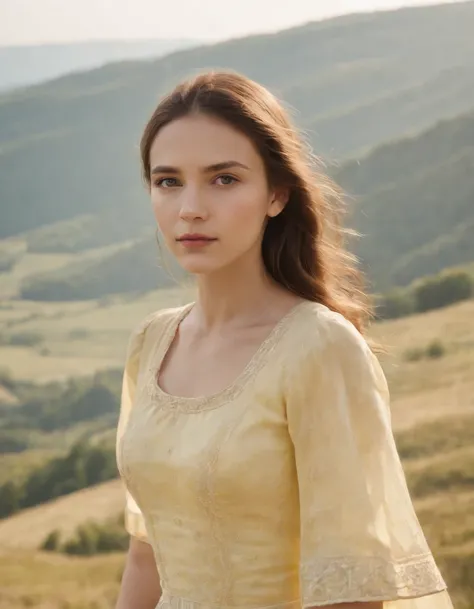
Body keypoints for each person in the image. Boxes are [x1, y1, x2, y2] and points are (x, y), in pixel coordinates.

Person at [114, 71, 453, 609]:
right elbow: (145, 554)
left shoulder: (319, 348)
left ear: (277, 193)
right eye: (168, 181)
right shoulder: (152, 342)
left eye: (224, 179)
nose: (190, 208)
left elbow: (353, 589)